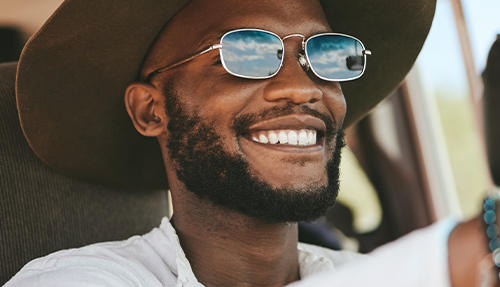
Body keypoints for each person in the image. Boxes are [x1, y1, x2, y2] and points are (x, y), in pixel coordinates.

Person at [4, 0, 496, 286]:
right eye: (246, 53)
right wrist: (460, 256)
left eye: (325, 53)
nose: (304, 86)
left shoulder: (358, 271)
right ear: (150, 111)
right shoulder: (75, 279)